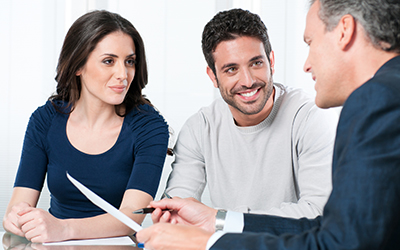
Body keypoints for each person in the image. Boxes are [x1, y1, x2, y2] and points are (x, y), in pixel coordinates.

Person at [136, 0, 400, 249]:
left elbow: (338, 241)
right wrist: (217, 220)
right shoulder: (386, 93)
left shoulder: (376, 100)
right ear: (213, 76)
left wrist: (207, 242)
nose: (307, 65)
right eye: (230, 69)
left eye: (310, 42)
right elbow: (342, 231)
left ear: (344, 30)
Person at [2, 10, 170, 243]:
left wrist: (64, 229)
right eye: (109, 61)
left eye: (129, 61)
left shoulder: (149, 126)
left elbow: (130, 217)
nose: (123, 74)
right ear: (78, 66)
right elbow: (19, 203)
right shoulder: (45, 120)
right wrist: (16, 218)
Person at [165, 8, 337, 218]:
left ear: (271, 62)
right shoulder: (199, 128)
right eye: (231, 69)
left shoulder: (309, 118)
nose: (247, 81)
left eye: (256, 63)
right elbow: (176, 209)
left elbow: (319, 210)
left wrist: (221, 221)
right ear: (213, 76)